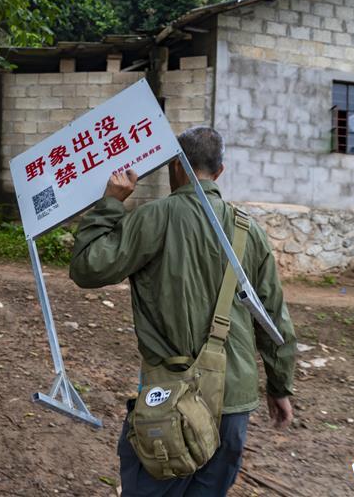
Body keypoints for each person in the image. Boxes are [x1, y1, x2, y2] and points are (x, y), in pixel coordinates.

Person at [69, 126, 297, 496]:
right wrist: (279, 387)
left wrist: (110, 202)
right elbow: (274, 320)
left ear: (176, 166)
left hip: (167, 398)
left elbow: (87, 268)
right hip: (232, 399)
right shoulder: (249, 231)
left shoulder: (152, 217)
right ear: (220, 172)